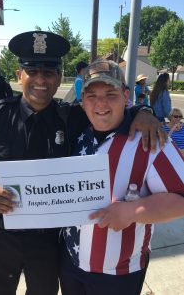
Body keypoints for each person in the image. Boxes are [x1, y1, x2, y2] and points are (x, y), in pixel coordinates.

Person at [0, 31, 166, 295]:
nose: (40, 80)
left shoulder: (72, 118)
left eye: (49, 72)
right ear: (19, 75)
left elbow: (108, 110)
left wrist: (142, 112)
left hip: (48, 241)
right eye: (32, 71)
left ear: (59, 78)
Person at [60, 60, 184, 295]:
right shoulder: (76, 132)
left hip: (118, 274)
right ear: (82, 99)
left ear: (126, 95)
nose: (101, 104)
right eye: (91, 95)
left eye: (110, 94)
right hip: (70, 261)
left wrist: (132, 212)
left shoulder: (151, 141)